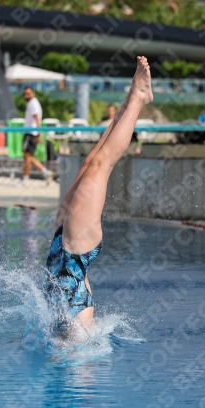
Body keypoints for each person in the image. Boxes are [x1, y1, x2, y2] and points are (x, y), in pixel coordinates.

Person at [45, 56, 153, 335]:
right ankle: (139, 97)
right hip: (75, 248)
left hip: (61, 248)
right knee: (100, 165)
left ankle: (132, 98)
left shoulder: (72, 325)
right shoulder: (79, 330)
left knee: (90, 163)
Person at [16, 86, 52, 187]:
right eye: (25, 94)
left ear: (33, 93)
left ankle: (25, 178)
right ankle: (45, 171)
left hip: (31, 133)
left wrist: (39, 133)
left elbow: (37, 119)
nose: (26, 96)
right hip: (31, 132)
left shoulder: (33, 103)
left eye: (28, 93)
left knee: (27, 157)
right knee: (28, 157)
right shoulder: (32, 103)